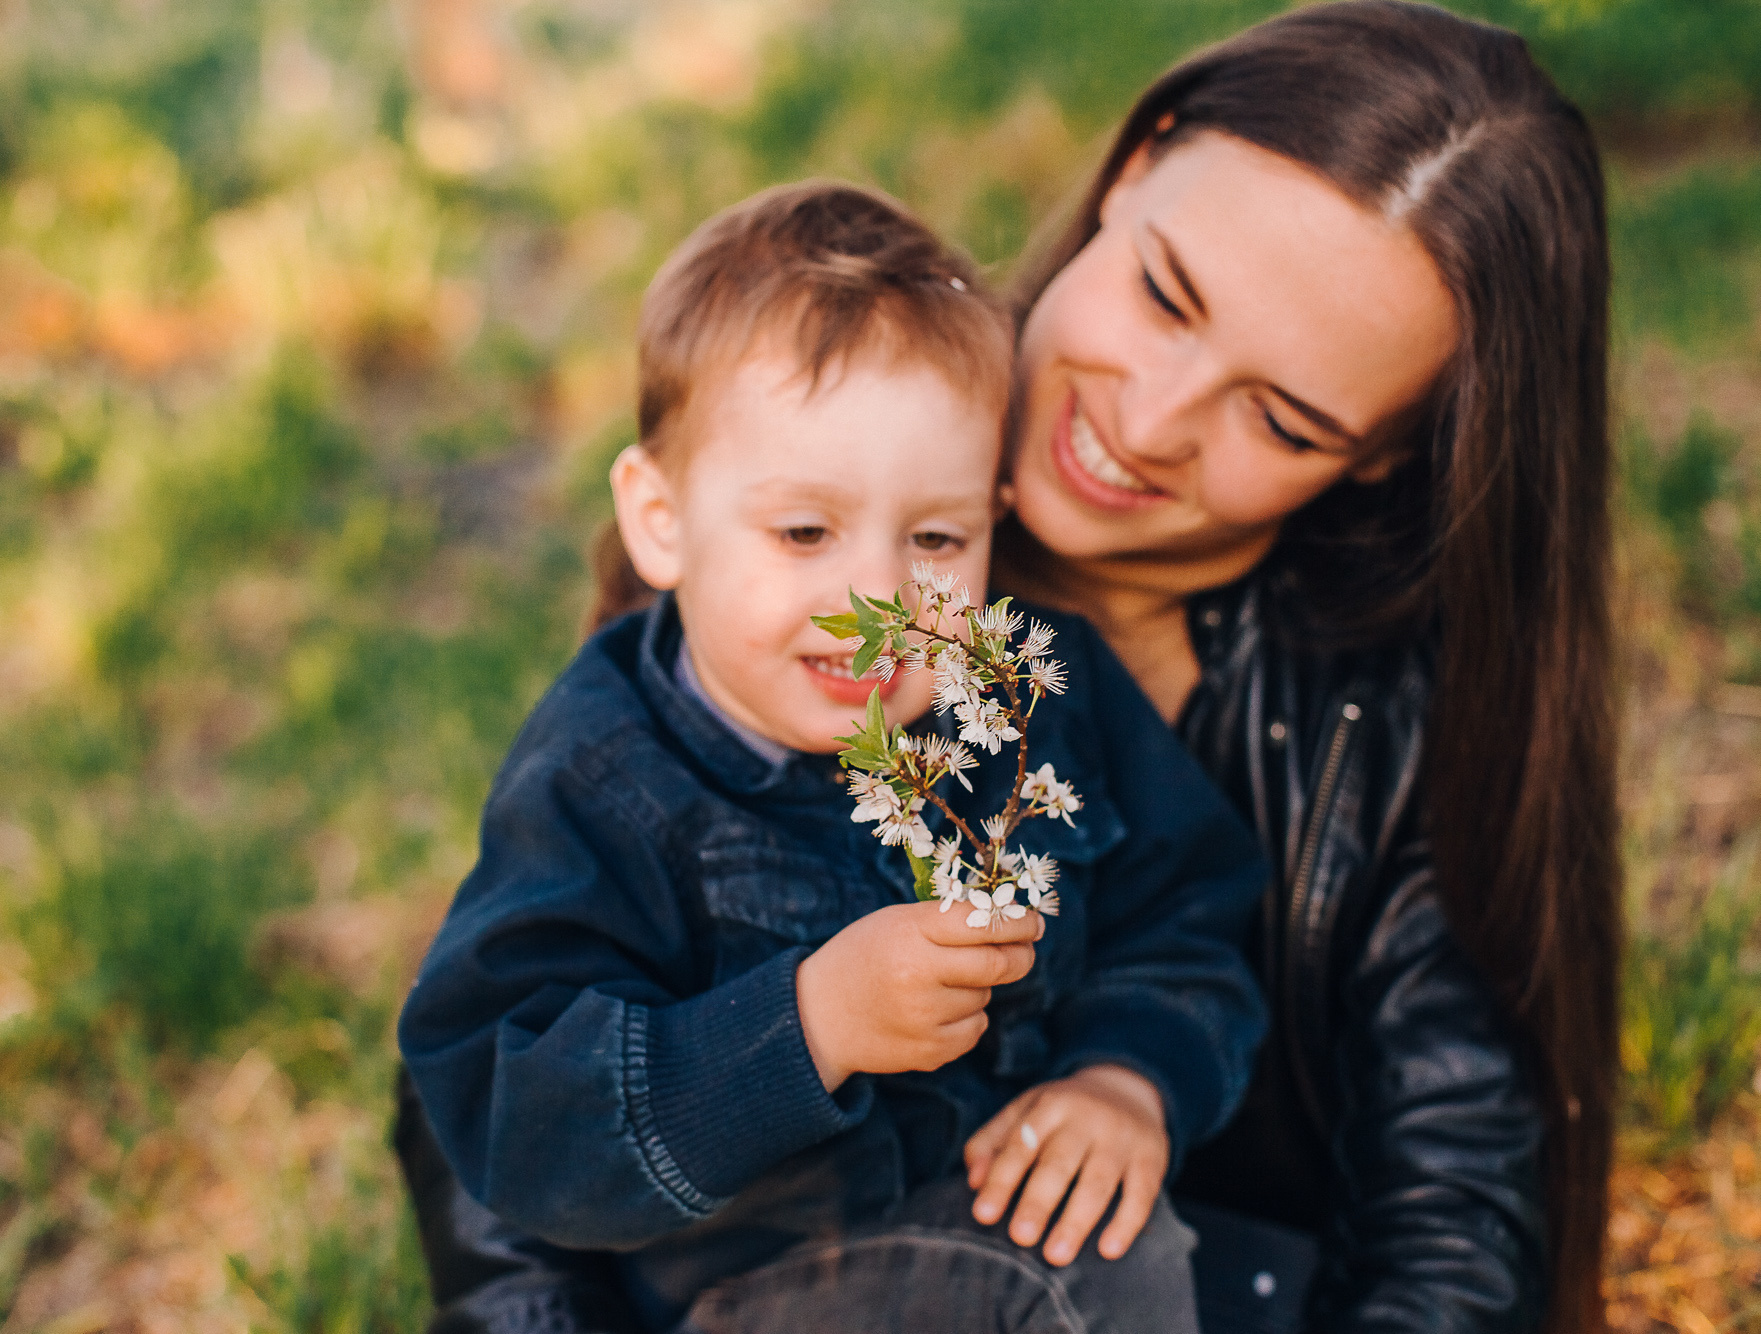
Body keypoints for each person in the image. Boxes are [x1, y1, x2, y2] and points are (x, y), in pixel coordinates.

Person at [396, 4, 1621, 1331]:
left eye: (1279, 414)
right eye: (1165, 291)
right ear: (1135, 166)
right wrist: (797, 1027)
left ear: (1385, 450)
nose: (1147, 423)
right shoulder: (822, 413)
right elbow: (496, 1091)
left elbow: (1451, 1209)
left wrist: (1129, 1076)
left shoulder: (1362, 715)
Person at [395, 179, 1271, 1334]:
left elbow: (1188, 910)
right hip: (753, 1291)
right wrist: (804, 1023)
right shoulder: (605, 778)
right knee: (1094, 1278)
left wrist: (1128, 1074)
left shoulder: (1023, 703)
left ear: (993, 522)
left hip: (997, 1214)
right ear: (661, 519)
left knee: (1186, 1259)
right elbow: (512, 1114)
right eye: (804, 530)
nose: (876, 598)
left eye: (935, 537)